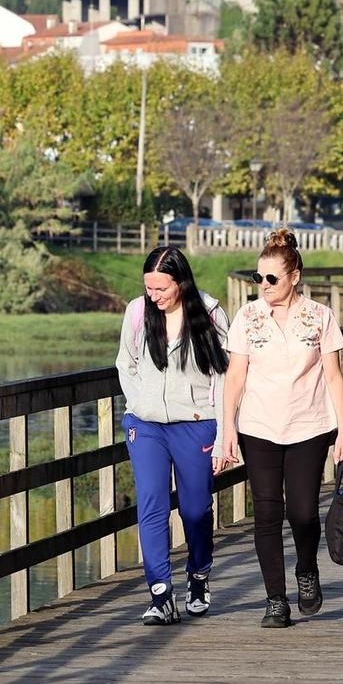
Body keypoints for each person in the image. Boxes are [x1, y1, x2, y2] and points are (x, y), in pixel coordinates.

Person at [214, 229, 343, 629]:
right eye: (258, 278)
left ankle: (307, 570)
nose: (263, 286)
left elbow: (333, 377)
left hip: (309, 425)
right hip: (258, 426)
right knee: (267, 513)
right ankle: (276, 600)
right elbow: (234, 377)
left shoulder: (320, 317)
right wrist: (228, 430)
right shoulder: (247, 317)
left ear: (295, 277)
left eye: (271, 278)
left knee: (304, 513)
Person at [117, 245, 230, 625]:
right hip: (146, 426)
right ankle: (160, 594)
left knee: (195, 510)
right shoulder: (137, 312)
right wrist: (139, 406)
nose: (154, 296)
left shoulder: (211, 314)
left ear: (181, 282)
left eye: (161, 289)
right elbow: (126, 363)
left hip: (196, 423)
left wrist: (224, 429)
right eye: (149, 288)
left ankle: (198, 577)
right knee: (151, 506)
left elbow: (225, 375)